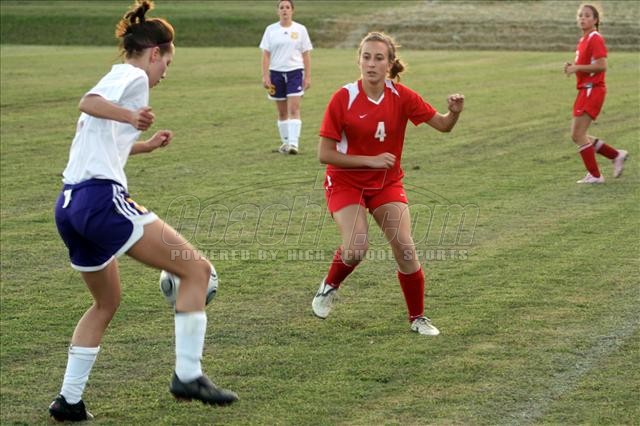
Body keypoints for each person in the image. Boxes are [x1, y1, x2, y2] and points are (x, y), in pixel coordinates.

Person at [49, 1, 237, 421]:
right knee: (196, 270)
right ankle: (188, 375)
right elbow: (88, 102)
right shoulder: (131, 75)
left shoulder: (122, 79)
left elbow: (101, 138)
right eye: (167, 63)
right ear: (155, 53)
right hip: (100, 200)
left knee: (106, 303)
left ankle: (69, 400)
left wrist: (143, 145)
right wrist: (131, 114)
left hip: (69, 205)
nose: (165, 72)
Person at [310, 32, 464, 336]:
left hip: (386, 183)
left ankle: (418, 318)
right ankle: (329, 285)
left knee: (404, 247)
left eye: (379, 58)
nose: (371, 63)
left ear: (390, 64)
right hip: (344, 182)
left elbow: (443, 125)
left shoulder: (402, 96)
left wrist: (454, 113)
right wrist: (370, 160)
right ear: (359, 60)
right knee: (357, 247)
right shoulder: (344, 97)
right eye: (366, 57)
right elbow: (324, 154)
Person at [564, 3, 627, 184]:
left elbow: (602, 65)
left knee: (578, 134)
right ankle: (616, 155)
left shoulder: (595, 38)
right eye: (580, 15)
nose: (582, 18)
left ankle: (596, 176)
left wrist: (577, 67)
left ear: (596, 20)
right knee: (578, 134)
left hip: (593, 89)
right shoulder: (583, 40)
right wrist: (573, 67)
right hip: (585, 90)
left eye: (587, 15)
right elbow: (587, 65)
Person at [259, 0, 313, 155]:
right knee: (282, 111)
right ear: (278, 11)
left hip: (295, 72)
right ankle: (286, 142)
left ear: (292, 10)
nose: (284, 10)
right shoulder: (271, 30)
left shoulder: (300, 29)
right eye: (281, 7)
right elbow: (266, 54)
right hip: (276, 73)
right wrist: (265, 75)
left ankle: (294, 144)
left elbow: (306, 54)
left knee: (294, 108)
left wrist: (307, 76)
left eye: (287, 7)